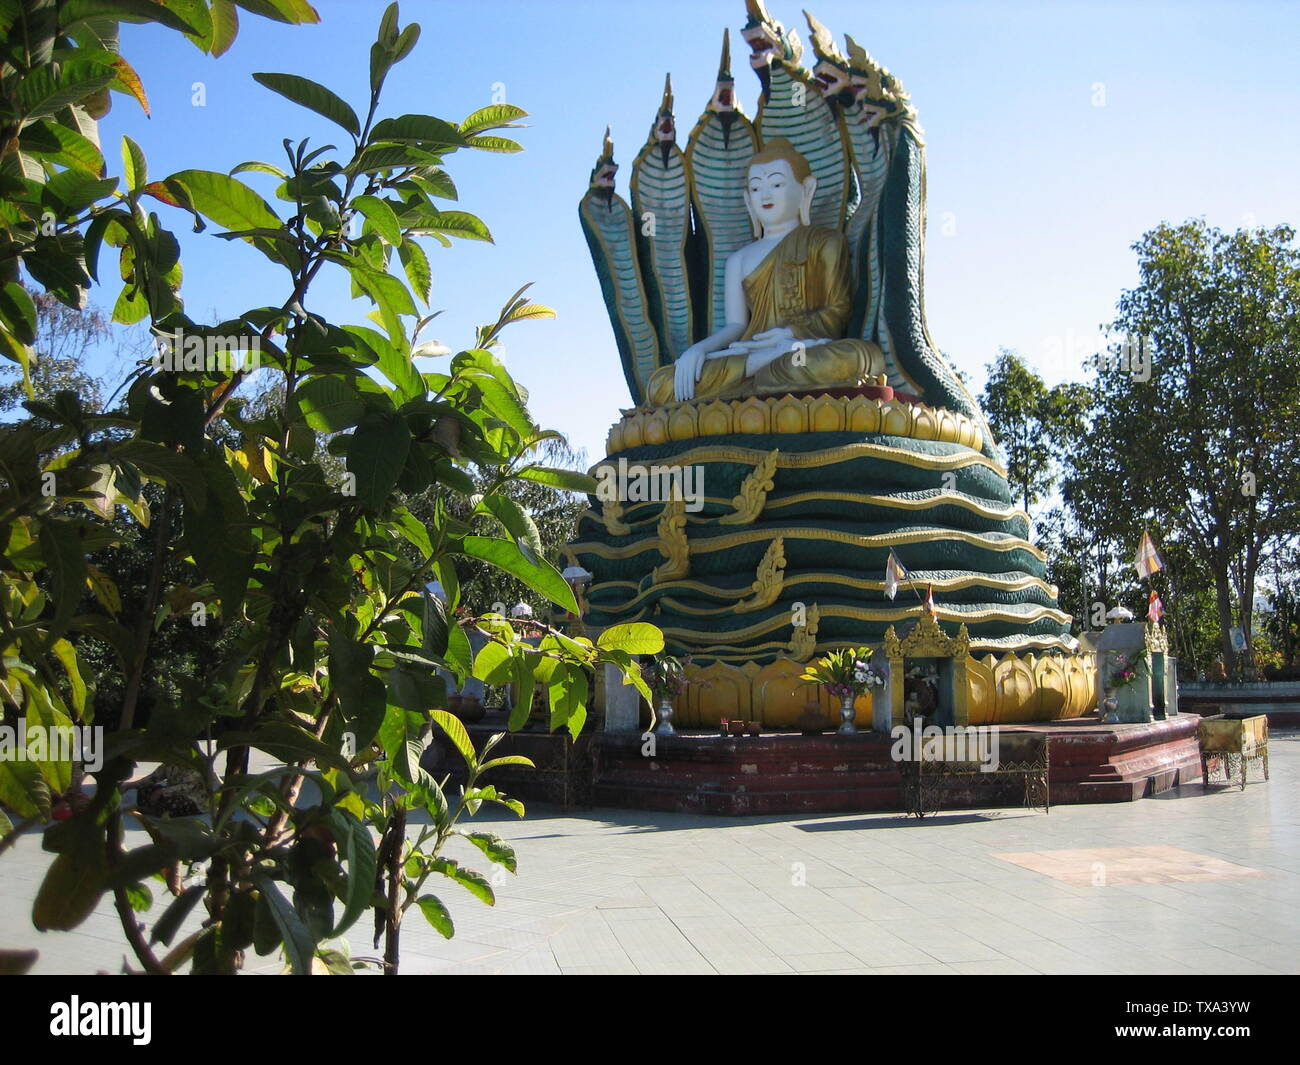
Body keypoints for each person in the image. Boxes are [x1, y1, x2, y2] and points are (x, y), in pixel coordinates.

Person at [645, 138, 883, 404]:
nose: (766, 195)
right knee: (663, 383)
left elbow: (838, 310)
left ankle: (758, 376)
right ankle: (762, 366)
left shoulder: (824, 241)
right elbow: (736, 326)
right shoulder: (739, 259)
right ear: (748, 198)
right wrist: (698, 350)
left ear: (806, 189)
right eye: (756, 188)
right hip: (751, 352)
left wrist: (791, 334)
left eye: (777, 184)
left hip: (803, 350)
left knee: (863, 357)